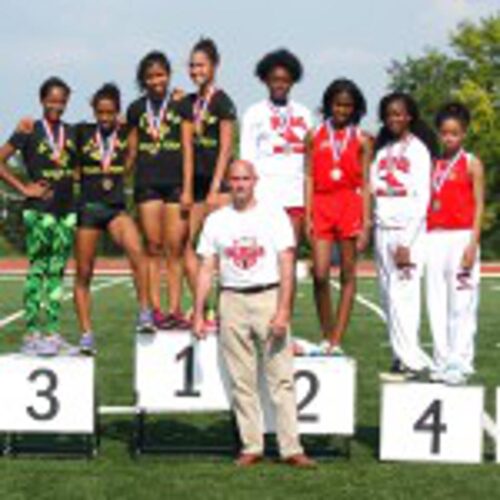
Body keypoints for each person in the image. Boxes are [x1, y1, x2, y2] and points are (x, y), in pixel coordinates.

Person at [193, 159, 315, 468]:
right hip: (231, 299)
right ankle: (251, 445)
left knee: (281, 379)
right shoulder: (216, 220)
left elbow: (287, 263)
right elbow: (207, 267)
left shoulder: (274, 215)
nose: (240, 184)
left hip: (268, 297)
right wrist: (197, 312)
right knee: (241, 380)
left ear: (255, 180)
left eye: (245, 178)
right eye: (234, 179)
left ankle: (291, 448)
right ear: (229, 183)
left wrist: (284, 309)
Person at [74, 83, 154, 355]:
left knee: (137, 250)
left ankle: (144, 312)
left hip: (116, 208)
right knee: (84, 273)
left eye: (110, 113)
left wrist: (179, 97)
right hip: (89, 208)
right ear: (94, 111)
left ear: (118, 112)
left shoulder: (127, 130)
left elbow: (146, 125)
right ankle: (86, 334)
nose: (105, 118)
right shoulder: (82, 132)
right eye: (101, 113)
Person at [0, 77, 77, 355]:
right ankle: (32, 333)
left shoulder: (71, 132)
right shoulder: (28, 130)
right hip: (38, 211)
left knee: (57, 272)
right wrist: (23, 188)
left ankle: (53, 333)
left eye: (62, 100)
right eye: (52, 99)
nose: (57, 105)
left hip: (66, 213)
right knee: (37, 270)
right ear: (42, 100)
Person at [370, 92, 438, 381]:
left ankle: (411, 360)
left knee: (404, 297)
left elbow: (423, 198)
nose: (394, 118)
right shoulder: (382, 150)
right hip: (382, 229)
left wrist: (407, 243)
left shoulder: (418, 150)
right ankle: (401, 357)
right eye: (389, 114)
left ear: (410, 116)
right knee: (388, 298)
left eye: (399, 113)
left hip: (406, 233)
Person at [307, 78, 372, 355]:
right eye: (337, 104)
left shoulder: (363, 139)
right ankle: (327, 331)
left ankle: (336, 338)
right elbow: (308, 176)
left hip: (349, 203)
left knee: (347, 272)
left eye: (347, 105)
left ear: (354, 108)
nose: (342, 110)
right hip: (322, 203)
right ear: (328, 104)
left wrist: (366, 222)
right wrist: (308, 213)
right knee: (320, 273)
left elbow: (367, 182)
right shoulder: (313, 135)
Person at [127, 51, 191, 330]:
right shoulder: (135, 109)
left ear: (168, 75)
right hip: (147, 183)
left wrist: (188, 188)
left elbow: (188, 148)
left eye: (161, 74)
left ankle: (175, 309)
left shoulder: (181, 104)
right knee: (152, 247)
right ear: (143, 79)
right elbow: (130, 152)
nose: (156, 80)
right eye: (151, 76)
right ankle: (155, 309)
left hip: (176, 183)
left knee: (174, 248)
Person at [180, 37, 237, 329]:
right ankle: (204, 307)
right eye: (191, 65)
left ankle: (226, 309)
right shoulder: (188, 103)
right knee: (188, 245)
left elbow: (226, 148)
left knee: (220, 251)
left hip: (219, 187)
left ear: (214, 67)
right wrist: (189, 189)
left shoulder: (222, 101)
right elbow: (186, 146)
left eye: (201, 65)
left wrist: (216, 188)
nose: (195, 70)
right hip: (196, 186)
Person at [426, 102, 484, 385]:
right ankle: (441, 358)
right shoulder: (433, 164)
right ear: (439, 133)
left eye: (455, 133)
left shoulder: (472, 163)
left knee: (461, 301)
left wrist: (473, 245)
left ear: (464, 134)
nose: (449, 138)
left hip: (462, 236)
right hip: (434, 237)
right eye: (445, 133)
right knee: (436, 301)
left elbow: (480, 207)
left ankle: (460, 359)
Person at [240, 48, 312, 243]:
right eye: (275, 79)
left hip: (295, 195)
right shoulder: (254, 113)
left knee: (290, 250)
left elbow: (310, 160)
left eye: (285, 80)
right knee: (265, 253)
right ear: (265, 80)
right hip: (265, 196)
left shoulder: (304, 113)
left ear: (293, 81)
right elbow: (246, 159)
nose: (280, 84)